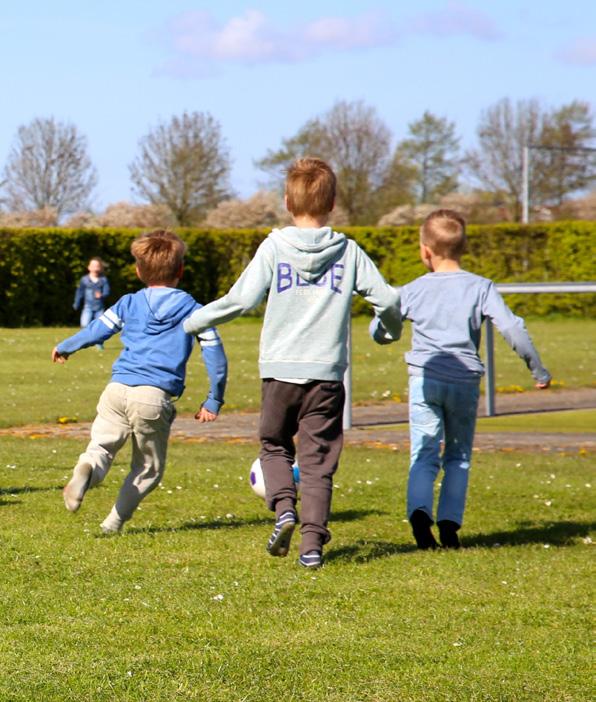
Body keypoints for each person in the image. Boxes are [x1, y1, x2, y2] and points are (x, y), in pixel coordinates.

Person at [183, 158, 402, 568]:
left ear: (287, 202)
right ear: (333, 202)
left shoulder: (274, 247)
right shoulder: (349, 251)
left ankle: (284, 507)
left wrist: (193, 321)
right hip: (326, 376)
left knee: (273, 445)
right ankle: (312, 546)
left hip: (280, 371)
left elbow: (241, 300)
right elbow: (388, 300)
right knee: (318, 461)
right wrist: (388, 331)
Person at [370, 209, 551, 550]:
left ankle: (420, 517)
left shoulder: (412, 290)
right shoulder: (480, 287)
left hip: (425, 379)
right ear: (463, 247)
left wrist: (380, 333)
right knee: (458, 456)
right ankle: (450, 526)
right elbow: (513, 327)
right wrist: (537, 369)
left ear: (425, 250)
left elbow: (384, 324)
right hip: (464, 381)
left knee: (423, 453)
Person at [53, 230, 228, 533]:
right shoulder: (194, 309)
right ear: (181, 270)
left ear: (138, 271)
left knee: (101, 450)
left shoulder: (128, 303)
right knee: (148, 468)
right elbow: (215, 356)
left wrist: (67, 346)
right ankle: (113, 523)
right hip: (153, 397)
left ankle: (86, 471)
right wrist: (213, 398)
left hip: (116, 390)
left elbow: (97, 329)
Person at [74, 257, 110, 328]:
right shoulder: (84, 279)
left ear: (100, 268)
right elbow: (79, 292)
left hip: (99, 308)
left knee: (98, 327)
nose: (95, 268)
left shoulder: (103, 280)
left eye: (97, 266)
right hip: (88, 307)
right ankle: (85, 338)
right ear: (89, 267)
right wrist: (76, 303)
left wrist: (102, 295)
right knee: (84, 325)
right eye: (93, 266)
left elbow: (107, 291)